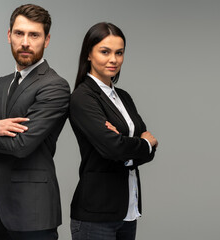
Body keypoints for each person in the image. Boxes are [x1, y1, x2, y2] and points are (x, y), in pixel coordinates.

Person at [0, 4, 70, 240]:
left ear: (47, 40)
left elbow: (22, 145)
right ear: (9, 36)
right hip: (0, 208)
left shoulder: (54, 85)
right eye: (19, 33)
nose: (25, 42)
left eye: (34, 35)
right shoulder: (1, 84)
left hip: (34, 212)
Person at [69, 22, 158, 240]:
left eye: (119, 53)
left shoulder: (124, 97)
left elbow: (143, 147)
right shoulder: (83, 97)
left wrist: (126, 146)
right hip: (96, 216)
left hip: (127, 211)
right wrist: (142, 144)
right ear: (88, 54)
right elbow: (114, 147)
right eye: (105, 51)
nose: (113, 59)